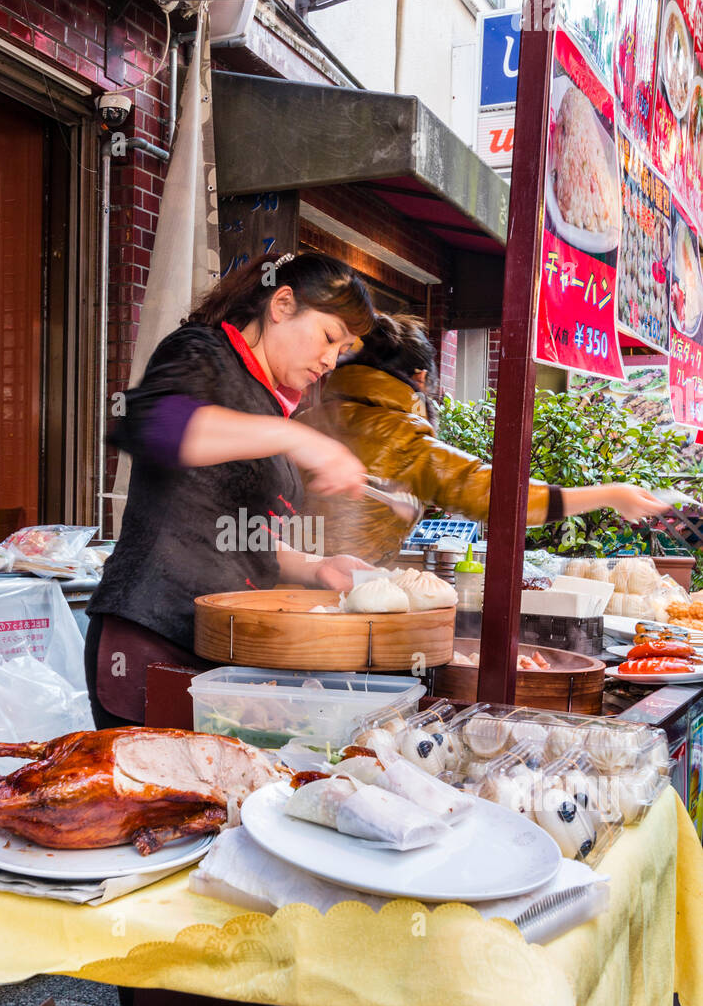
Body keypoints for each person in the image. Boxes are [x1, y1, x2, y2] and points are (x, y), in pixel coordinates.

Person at [85, 253, 377, 728]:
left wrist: (318, 567)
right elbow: (149, 424)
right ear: (282, 304)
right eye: (328, 337)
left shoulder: (270, 403)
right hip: (152, 638)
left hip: (218, 649)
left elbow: (234, 533)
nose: (330, 361)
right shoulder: (202, 351)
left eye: (341, 350)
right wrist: (297, 438)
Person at [297, 312, 671, 566]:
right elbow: (494, 496)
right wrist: (610, 494)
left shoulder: (304, 422)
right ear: (421, 379)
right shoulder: (405, 439)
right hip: (337, 600)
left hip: (269, 587)